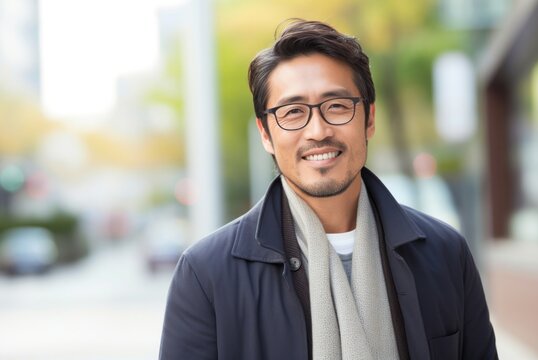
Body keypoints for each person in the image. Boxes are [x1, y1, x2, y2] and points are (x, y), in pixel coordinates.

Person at [159, 19, 498, 360]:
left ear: (369, 118)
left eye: (336, 106)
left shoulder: (444, 253)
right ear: (266, 134)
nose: (318, 130)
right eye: (292, 112)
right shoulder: (206, 275)